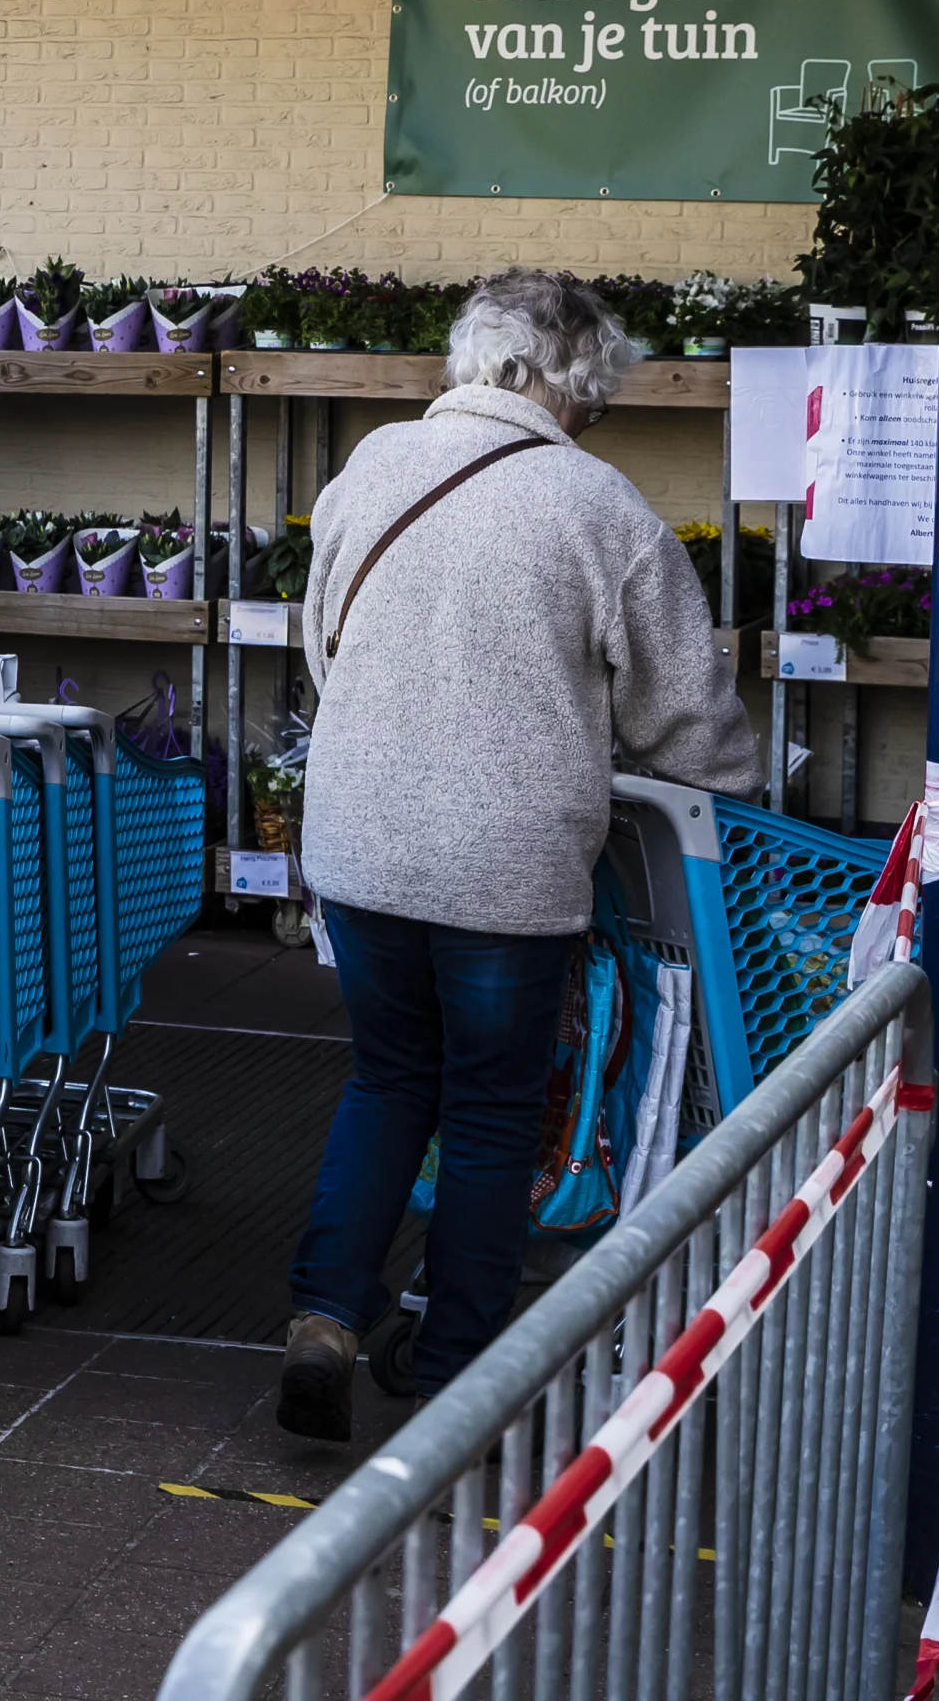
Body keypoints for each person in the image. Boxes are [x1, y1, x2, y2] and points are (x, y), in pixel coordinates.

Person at [274, 270, 757, 1442]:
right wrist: (731, 796)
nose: (597, 412)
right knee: (494, 1108)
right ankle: (456, 1369)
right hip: (507, 861)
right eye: (597, 391)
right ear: (569, 382)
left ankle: (325, 1318)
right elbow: (683, 715)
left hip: (361, 839)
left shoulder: (372, 465)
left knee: (389, 1080)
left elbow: (325, 648)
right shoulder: (600, 507)